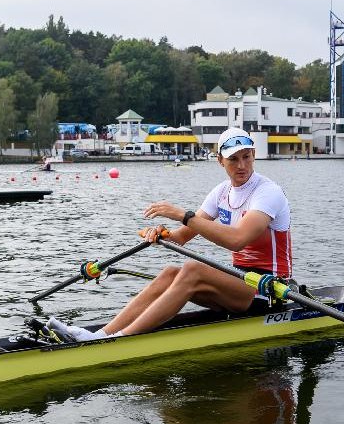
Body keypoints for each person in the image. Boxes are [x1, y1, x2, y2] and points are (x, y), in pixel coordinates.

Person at [47, 127, 292, 342]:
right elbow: (182, 236)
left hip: (270, 289)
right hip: (241, 282)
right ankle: (101, 335)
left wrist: (183, 215)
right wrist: (162, 233)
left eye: (246, 157)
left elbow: (237, 240)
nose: (241, 165)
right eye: (233, 159)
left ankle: (123, 340)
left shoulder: (267, 192)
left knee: (192, 270)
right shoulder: (221, 192)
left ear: (254, 155)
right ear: (220, 161)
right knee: (170, 273)